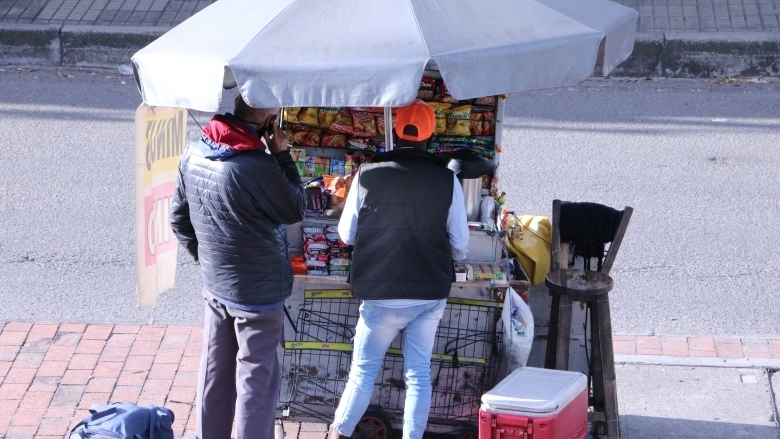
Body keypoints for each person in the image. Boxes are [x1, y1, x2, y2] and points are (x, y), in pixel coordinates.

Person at [331, 100, 469, 439]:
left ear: (395, 132)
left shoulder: (367, 173)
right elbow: (460, 245)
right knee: (419, 374)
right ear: (430, 136)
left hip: (380, 294)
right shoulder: (447, 180)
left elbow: (346, 235)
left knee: (362, 374)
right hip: (428, 293)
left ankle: (339, 434)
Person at [170, 96, 306, 439]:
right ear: (267, 119)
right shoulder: (257, 165)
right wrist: (283, 155)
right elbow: (295, 208)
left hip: (217, 286)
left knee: (214, 370)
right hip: (259, 295)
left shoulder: (193, 152)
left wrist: (209, 259)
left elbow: (178, 219)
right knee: (256, 381)